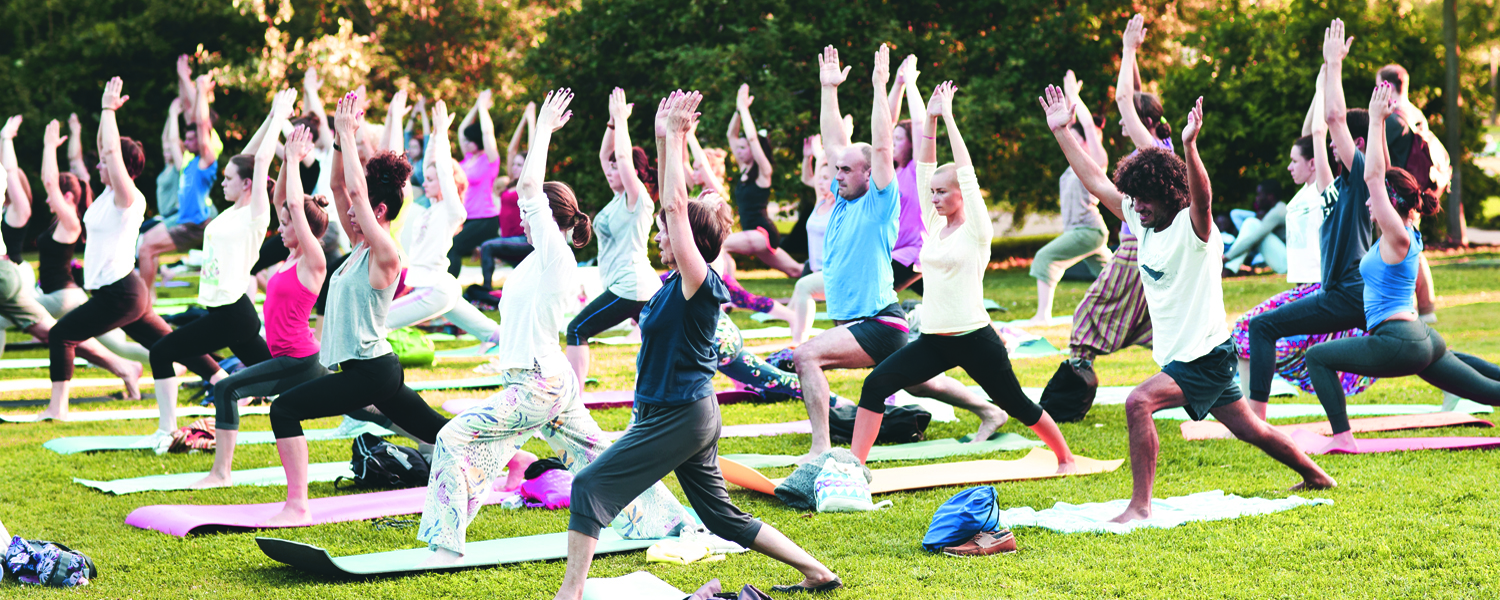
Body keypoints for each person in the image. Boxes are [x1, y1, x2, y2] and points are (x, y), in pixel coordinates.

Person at [558, 90, 841, 599]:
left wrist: (672, 137)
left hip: (680, 416)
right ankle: (819, 572)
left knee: (588, 487)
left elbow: (672, 204)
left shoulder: (698, 281)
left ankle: (569, 596)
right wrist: (670, 136)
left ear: (688, 238)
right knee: (722, 516)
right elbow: (671, 209)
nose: (660, 236)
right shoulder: (673, 283)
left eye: (666, 231)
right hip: (679, 412)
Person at [1040, 83, 1335, 524]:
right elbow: (1097, 181)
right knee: (1249, 428)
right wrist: (1063, 131)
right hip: (1189, 352)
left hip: (1205, 356)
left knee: (1138, 402)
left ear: (1168, 195)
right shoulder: (1143, 222)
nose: (1137, 207)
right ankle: (1317, 477)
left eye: (1145, 200)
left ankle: (1140, 506)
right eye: (1134, 199)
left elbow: (1204, 197)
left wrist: (1190, 146)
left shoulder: (1196, 231)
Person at [417, 91, 683, 566]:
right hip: (548, 380)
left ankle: (444, 542)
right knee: (601, 457)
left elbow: (528, 190)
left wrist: (541, 131)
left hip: (537, 384)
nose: (520, 216)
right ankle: (670, 520)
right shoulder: (540, 258)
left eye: (530, 213)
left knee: (452, 437)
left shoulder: (556, 253)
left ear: (550, 216)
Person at [793, 45, 1005, 462]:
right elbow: (835, 141)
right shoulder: (842, 198)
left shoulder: (878, 202)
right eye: (834, 171)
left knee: (806, 355)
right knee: (917, 382)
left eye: (844, 170)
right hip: (870, 322)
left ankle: (821, 448)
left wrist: (879, 86)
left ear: (868, 173)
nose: (836, 176)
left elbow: (882, 143)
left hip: (877, 321)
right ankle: (989, 410)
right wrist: (828, 89)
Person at [853, 81, 1077, 469]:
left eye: (942, 192)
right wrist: (931, 121)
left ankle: (1066, 457)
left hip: (975, 338)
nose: (934, 197)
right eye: (933, 192)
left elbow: (966, 171)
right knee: (875, 385)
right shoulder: (934, 225)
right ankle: (854, 466)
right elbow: (925, 166)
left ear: (961, 194)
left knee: (1017, 404)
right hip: (935, 340)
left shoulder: (977, 230)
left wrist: (951, 118)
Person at [262, 90, 451, 527]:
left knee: (283, 410)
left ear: (379, 210)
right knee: (437, 431)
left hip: (371, 370)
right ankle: (512, 460)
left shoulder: (386, 250)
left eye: (361, 209)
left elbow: (357, 197)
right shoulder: (358, 250)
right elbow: (337, 187)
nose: (348, 213)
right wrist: (332, 137)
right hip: (370, 369)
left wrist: (349, 135)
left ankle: (297, 505)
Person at [1302, 82, 1500, 453]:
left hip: (1398, 341)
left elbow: (1374, 177)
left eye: (1375, 201)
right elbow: (1378, 176)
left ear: (1390, 203)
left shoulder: (1398, 235)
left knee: (1317, 357)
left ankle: (1342, 438)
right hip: (1421, 338)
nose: (1367, 205)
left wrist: (1376, 122)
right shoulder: (1403, 230)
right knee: (1490, 390)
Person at [46, 78, 219, 420]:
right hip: (122, 293)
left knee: (61, 334)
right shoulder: (107, 197)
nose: (98, 165)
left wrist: (108, 109)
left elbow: (111, 153)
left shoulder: (128, 198)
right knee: (170, 343)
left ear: (120, 167)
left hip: (119, 294)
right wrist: (103, 115)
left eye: (105, 163)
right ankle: (221, 377)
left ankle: (57, 409)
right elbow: (105, 148)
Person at [142, 89, 293, 451]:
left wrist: (280, 115)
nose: (221, 182)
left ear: (247, 185)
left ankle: (166, 430)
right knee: (284, 382)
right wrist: (271, 117)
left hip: (232, 315)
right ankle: (341, 399)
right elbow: (250, 155)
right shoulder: (230, 213)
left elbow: (259, 161)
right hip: (229, 315)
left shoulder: (255, 215)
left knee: (162, 352)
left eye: (228, 178)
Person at [1244, 19, 1381, 420]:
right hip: (1337, 292)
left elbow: (1334, 121)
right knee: (1425, 355)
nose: (1329, 149)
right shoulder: (1332, 185)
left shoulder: (1360, 178)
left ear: (1356, 146)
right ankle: (1261, 416)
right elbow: (1318, 131)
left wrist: (1334, 64)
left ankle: (1256, 419)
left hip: (1350, 292)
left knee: (1261, 328)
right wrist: (1324, 75)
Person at [190, 124, 333, 488]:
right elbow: (284, 198)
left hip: (300, 360)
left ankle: (221, 473)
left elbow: (296, 209)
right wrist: (289, 160)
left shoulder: (311, 261)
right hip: (288, 357)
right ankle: (425, 438)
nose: (281, 228)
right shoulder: (287, 259)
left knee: (226, 389)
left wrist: (296, 159)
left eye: (287, 225)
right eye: (281, 222)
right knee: (370, 407)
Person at [1057, 14, 1171, 389]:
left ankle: (1075, 379)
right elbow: (1133, 96)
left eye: (1129, 119)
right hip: (1150, 247)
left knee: (1090, 311)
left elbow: (1126, 100)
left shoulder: (1153, 149)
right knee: (1158, 320)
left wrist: (1127, 48)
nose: (1122, 123)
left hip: (1138, 244)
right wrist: (1133, 57)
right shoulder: (1160, 148)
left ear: (1147, 121)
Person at [563, 88, 661, 390]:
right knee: (656, 343)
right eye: (611, 166)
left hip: (631, 285)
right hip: (631, 285)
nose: (611, 168)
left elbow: (620, 155)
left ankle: (573, 399)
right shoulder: (618, 199)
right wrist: (610, 123)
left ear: (634, 172)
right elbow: (606, 155)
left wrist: (622, 120)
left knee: (577, 328)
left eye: (619, 167)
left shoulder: (637, 197)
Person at [32, 120, 152, 365]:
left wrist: (49, 147)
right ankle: (146, 366)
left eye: (53, 196)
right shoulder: (92, 209)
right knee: (120, 346)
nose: (47, 200)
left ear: (68, 197)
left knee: (13, 315)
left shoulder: (71, 221)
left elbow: (49, 182)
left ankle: (154, 363)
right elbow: (103, 149)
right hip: (71, 294)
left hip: (65, 296)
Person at [1026, 70, 1112, 326]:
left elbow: (1087, 126)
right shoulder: (1072, 164)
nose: (1069, 139)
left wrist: (1074, 96)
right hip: (1087, 231)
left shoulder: (1097, 160)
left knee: (1044, 257)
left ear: (1090, 140)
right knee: (1114, 276)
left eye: (1076, 137)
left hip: (1087, 229)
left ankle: (1042, 315)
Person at [138, 70, 219, 302]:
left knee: (146, 248)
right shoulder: (189, 162)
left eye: (192, 139)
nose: (188, 142)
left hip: (196, 222)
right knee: (146, 246)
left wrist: (201, 93)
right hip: (185, 220)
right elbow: (173, 140)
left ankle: (145, 300)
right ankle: (148, 297)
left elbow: (203, 125)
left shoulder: (206, 161)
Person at [721, 84, 804, 277]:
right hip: (752, 234)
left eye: (744, 148)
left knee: (718, 245)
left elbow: (751, 137)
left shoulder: (764, 172)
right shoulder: (744, 170)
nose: (739, 151)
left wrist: (744, 109)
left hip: (762, 233)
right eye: (738, 148)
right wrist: (738, 110)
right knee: (795, 270)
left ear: (754, 149)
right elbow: (731, 135)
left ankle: (730, 295)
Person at [476, 101, 538, 288]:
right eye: (515, 164)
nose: (516, 167)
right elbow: (511, 150)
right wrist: (523, 120)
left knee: (487, 246)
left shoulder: (528, 184)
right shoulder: (512, 182)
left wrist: (532, 119)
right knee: (524, 283)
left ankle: (487, 291)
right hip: (508, 240)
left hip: (524, 240)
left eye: (521, 164)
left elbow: (536, 147)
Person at [447, 90, 503, 277]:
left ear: (478, 141)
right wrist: (476, 105)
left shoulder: (490, 160)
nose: (467, 143)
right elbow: (463, 130)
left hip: (485, 218)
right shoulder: (467, 159)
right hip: (468, 217)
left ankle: (449, 291)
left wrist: (482, 108)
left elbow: (488, 133)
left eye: (471, 140)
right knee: (449, 247)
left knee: (453, 248)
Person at [886, 54, 929, 295]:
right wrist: (898, 83)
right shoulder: (892, 172)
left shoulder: (916, 169)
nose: (892, 143)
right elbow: (886, 124)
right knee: (944, 306)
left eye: (898, 140)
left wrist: (911, 83)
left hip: (914, 253)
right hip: (894, 252)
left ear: (911, 143)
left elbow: (920, 123)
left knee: (875, 295)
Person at [788, 133, 836, 344]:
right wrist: (815, 156)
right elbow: (817, 177)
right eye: (820, 179)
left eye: (827, 179)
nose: (821, 182)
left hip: (835, 272)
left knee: (802, 288)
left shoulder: (839, 206)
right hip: (817, 271)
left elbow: (840, 166)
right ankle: (796, 343)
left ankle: (798, 344)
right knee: (799, 297)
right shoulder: (819, 203)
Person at [1221, 180, 1287, 275]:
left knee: (1251, 224)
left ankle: (1228, 269)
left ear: (1270, 196)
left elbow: (1253, 239)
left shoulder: (1278, 212)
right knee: (1252, 224)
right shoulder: (1278, 209)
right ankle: (1229, 268)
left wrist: (1226, 257)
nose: (1257, 198)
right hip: (1284, 260)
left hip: (1285, 264)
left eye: (1259, 195)